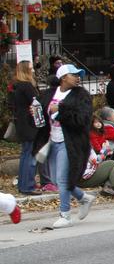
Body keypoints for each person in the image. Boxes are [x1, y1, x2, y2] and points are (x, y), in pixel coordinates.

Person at [33, 64, 96, 229]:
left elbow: (83, 120)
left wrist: (60, 110)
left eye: (78, 75)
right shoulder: (49, 94)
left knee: (62, 180)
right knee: (55, 180)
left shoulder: (81, 95)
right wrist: (34, 111)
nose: (78, 77)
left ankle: (65, 215)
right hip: (52, 141)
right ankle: (83, 198)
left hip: (71, 143)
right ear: (63, 77)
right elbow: (40, 112)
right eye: (73, 74)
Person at [11, 60, 42, 195]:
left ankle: (23, 185)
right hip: (29, 124)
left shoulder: (16, 86)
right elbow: (36, 103)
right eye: (31, 68)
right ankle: (28, 185)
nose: (33, 70)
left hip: (21, 122)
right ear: (26, 71)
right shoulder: (28, 86)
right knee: (30, 155)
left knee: (25, 154)